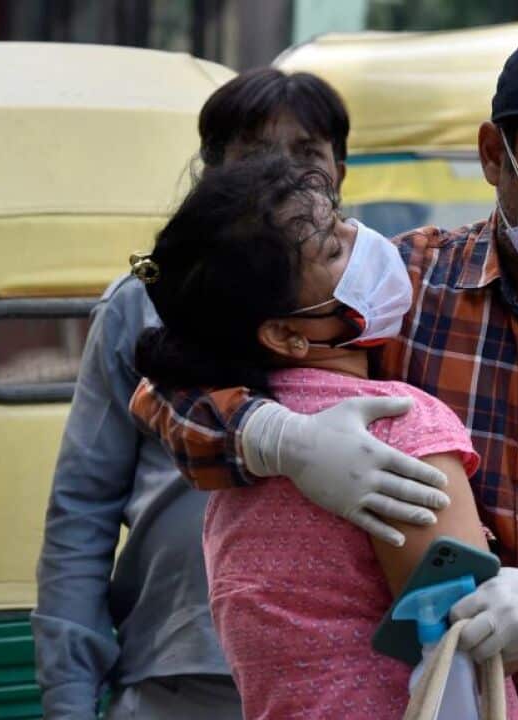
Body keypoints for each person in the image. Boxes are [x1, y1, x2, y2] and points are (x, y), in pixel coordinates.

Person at [131, 23, 518, 720]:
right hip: (450, 697)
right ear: (495, 155)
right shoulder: (402, 290)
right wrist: (278, 437)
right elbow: (170, 388)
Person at [30, 68, 350, 719]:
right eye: (255, 156)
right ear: (212, 171)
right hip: (180, 670)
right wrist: (68, 693)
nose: (284, 177)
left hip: (339, 666)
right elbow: (83, 503)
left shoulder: (373, 300)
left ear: (341, 172)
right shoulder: (141, 305)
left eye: (307, 156)